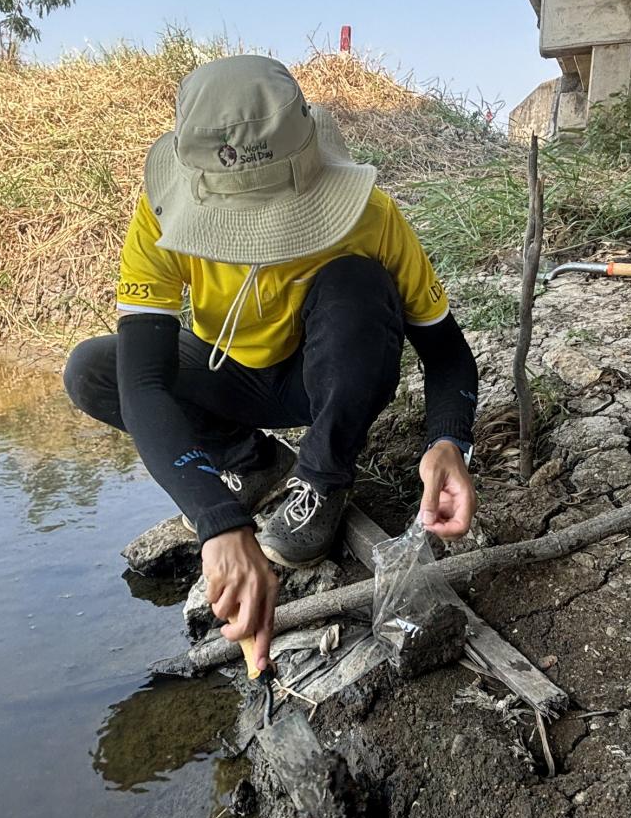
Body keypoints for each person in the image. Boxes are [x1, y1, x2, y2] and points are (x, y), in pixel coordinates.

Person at [64, 54, 479, 674]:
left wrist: (448, 442)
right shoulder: (160, 217)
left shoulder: (370, 218)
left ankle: (323, 476)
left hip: (324, 378)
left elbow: (447, 353)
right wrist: (218, 523)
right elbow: (144, 380)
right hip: (228, 373)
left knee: (357, 286)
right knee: (95, 367)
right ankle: (250, 462)